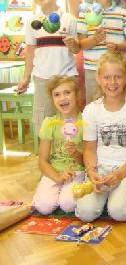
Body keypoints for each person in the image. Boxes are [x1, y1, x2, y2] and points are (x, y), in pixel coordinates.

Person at [76, 50, 126, 222]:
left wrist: (120, 174)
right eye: (107, 77)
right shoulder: (91, 109)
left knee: (118, 212)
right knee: (86, 213)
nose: (112, 82)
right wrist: (92, 172)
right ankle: (110, 194)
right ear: (98, 79)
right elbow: (89, 149)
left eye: (117, 77)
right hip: (100, 168)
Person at [16, 0, 79, 136]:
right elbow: (30, 52)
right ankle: (46, 155)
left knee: (69, 119)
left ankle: (69, 154)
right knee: (44, 119)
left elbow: (77, 49)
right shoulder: (33, 23)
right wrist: (25, 77)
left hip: (67, 77)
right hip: (42, 78)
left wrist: (73, 45)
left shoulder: (69, 19)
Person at [77, 0, 126, 104]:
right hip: (93, 70)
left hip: (118, 70)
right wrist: (94, 40)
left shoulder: (122, 13)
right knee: (94, 105)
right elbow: (81, 44)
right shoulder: (85, 13)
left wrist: (118, 46)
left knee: (119, 103)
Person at [32, 76, 84, 215]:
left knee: (67, 204)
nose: (62, 98)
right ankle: (52, 191)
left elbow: (88, 161)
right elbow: (42, 161)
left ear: (77, 94)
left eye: (67, 92)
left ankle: (64, 195)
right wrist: (57, 177)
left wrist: (76, 153)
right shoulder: (49, 123)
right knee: (44, 207)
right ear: (52, 99)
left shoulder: (85, 122)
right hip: (54, 171)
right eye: (57, 95)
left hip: (77, 172)